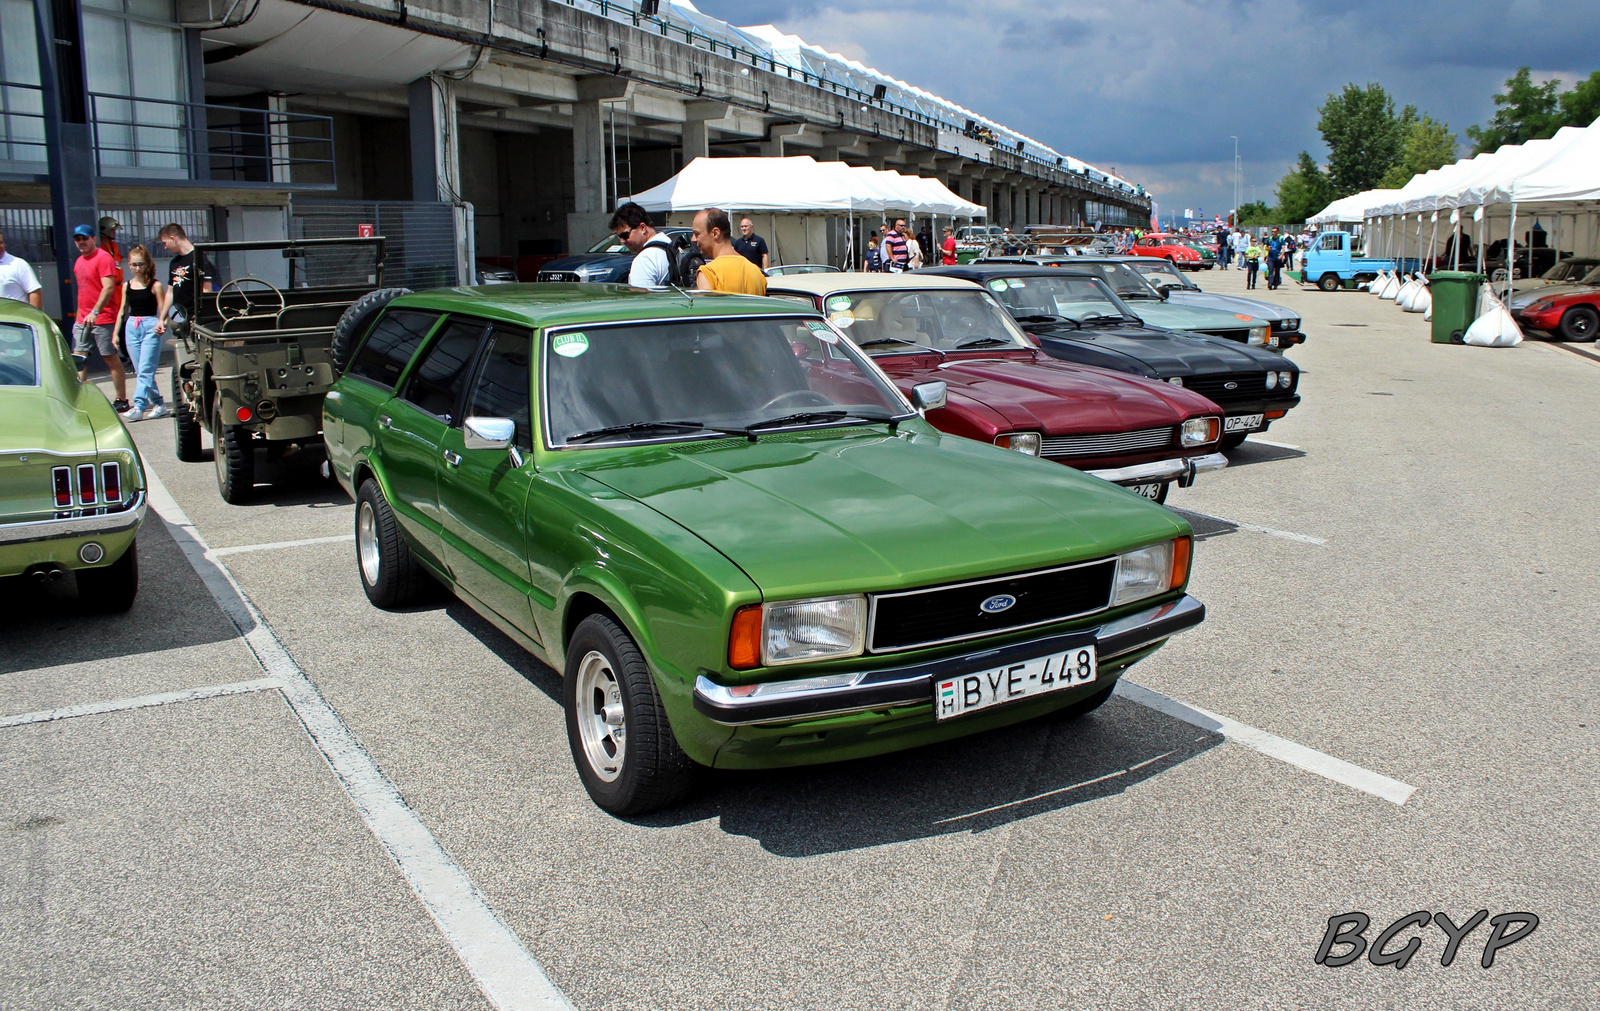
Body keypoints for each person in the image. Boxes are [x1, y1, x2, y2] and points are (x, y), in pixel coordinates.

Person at [71, 224, 128, 409]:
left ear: (94, 239)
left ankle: (121, 399)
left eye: (84, 238)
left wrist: (95, 311)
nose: (81, 242)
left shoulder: (103, 258)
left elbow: (109, 287)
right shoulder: (79, 261)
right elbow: (82, 292)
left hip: (103, 318)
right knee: (78, 358)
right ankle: (80, 398)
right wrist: (79, 317)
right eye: (78, 239)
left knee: (110, 358)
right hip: (83, 319)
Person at [113, 245, 168, 421]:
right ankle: (159, 404)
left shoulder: (155, 285)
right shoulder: (126, 286)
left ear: (147, 265)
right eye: (134, 265)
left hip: (150, 326)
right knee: (142, 371)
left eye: (141, 264)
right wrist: (115, 334)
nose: (137, 268)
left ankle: (139, 406)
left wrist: (162, 323)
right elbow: (122, 310)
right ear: (129, 265)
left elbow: (163, 309)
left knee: (145, 369)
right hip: (131, 327)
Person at [693, 207, 766, 295]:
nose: (693, 239)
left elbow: (706, 308)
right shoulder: (757, 273)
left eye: (697, 234)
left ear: (715, 233)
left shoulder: (709, 273)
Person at [608, 202, 676, 288]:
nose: (622, 241)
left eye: (625, 235)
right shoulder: (669, 244)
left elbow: (641, 299)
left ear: (642, 228)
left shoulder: (644, 259)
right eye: (619, 237)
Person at [158, 222, 214, 322]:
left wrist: (200, 316)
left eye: (165, 242)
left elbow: (206, 290)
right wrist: (162, 319)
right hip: (179, 317)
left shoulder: (199, 259)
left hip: (195, 318)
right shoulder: (174, 262)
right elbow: (170, 292)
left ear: (173, 238)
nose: (165, 247)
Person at [0, 231, 43, 308]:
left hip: (13, 318)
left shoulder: (18, 264)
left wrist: (31, 316)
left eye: (1, 242)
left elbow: (34, 292)